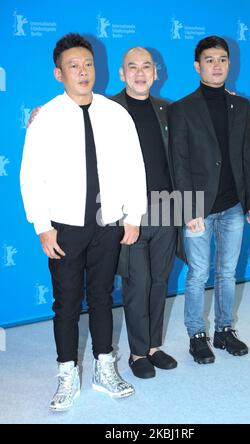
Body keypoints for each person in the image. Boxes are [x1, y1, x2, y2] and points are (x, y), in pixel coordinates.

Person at [20, 33, 147, 411]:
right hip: (65, 228)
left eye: (88, 64)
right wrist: (42, 225)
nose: (83, 72)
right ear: (59, 73)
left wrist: (133, 216)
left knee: (104, 297)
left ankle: (104, 368)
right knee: (67, 303)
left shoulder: (115, 113)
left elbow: (133, 166)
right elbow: (30, 175)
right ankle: (66, 372)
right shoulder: (46, 117)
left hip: (107, 222)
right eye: (74, 66)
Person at [168, 35, 250, 365]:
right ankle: (196, 334)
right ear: (197, 66)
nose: (217, 65)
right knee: (197, 274)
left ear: (229, 64)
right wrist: (188, 209)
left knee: (226, 271)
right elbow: (178, 162)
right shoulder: (181, 108)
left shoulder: (242, 105)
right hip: (198, 210)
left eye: (222, 59)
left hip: (234, 206)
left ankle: (224, 330)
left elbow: (249, 156)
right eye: (209, 59)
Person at [112, 47, 181, 378]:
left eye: (146, 67)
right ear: (122, 73)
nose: (140, 73)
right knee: (137, 283)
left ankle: (154, 347)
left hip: (168, 209)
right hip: (129, 215)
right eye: (132, 67)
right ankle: (137, 353)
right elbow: (72, 120)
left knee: (159, 281)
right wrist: (41, 114)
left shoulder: (168, 109)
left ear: (157, 72)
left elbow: (189, 151)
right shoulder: (106, 109)